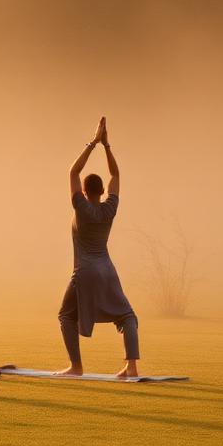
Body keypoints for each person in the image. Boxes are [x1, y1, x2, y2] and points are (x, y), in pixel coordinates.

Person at [56, 117, 140, 378]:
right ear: (103, 191)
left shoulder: (81, 206)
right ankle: (132, 367)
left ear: (84, 190)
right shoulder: (109, 209)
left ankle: (76, 367)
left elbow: (73, 172)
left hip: (85, 272)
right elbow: (116, 175)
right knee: (127, 316)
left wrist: (93, 142)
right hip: (107, 270)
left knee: (66, 316)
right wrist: (107, 145)